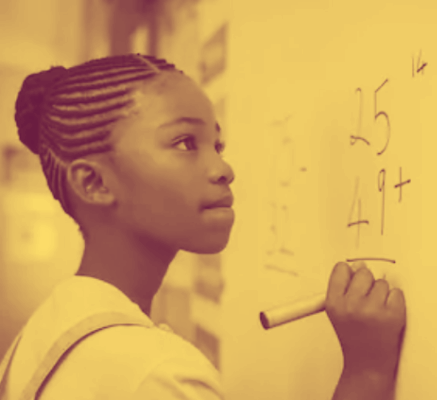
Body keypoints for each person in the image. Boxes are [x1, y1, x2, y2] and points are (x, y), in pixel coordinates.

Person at [0, 54, 406, 400]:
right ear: (95, 183)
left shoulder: (41, 333)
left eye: (218, 145)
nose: (223, 169)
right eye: (184, 143)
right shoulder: (156, 375)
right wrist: (366, 372)